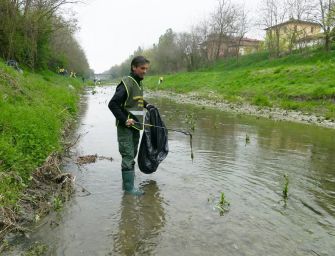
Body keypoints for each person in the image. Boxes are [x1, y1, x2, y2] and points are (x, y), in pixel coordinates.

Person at [108, 56, 155, 196]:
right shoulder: (126, 83)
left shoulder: (138, 82)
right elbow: (113, 104)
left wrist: (148, 105)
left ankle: (128, 183)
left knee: (132, 154)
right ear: (134, 67)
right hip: (126, 127)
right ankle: (128, 189)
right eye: (142, 68)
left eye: (146, 69)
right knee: (128, 155)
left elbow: (137, 100)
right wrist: (124, 120)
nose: (145, 71)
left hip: (135, 126)